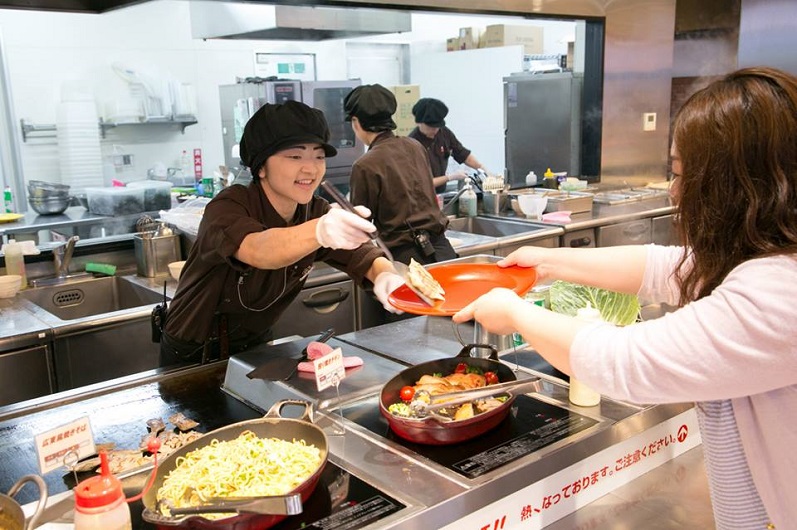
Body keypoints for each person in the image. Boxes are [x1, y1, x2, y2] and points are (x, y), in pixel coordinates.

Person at [453, 66, 797, 529]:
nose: (676, 191)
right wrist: (548, 263)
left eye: (680, 174)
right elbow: (666, 266)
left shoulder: (780, 292)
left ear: (735, 185)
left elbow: (626, 361)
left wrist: (515, 313)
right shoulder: (768, 254)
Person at [159, 100, 405, 366]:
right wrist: (320, 231)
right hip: (193, 352)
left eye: (319, 156)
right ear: (261, 166)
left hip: (256, 344)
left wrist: (385, 276)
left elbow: (363, 255)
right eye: (295, 156)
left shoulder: (313, 210)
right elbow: (260, 249)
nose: (311, 168)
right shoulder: (228, 207)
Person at [344, 84, 457, 265]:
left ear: (356, 122)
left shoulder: (365, 165)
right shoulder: (415, 146)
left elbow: (361, 225)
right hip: (442, 250)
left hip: (405, 260)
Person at [408, 97, 489, 194]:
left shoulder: (444, 132)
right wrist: (450, 177)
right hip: (422, 197)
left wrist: (483, 169)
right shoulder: (412, 144)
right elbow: (421, 183)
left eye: (437, 126)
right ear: (419, 123)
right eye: (431, 127)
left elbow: (462, 154)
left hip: (440, 194)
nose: (435, 130)